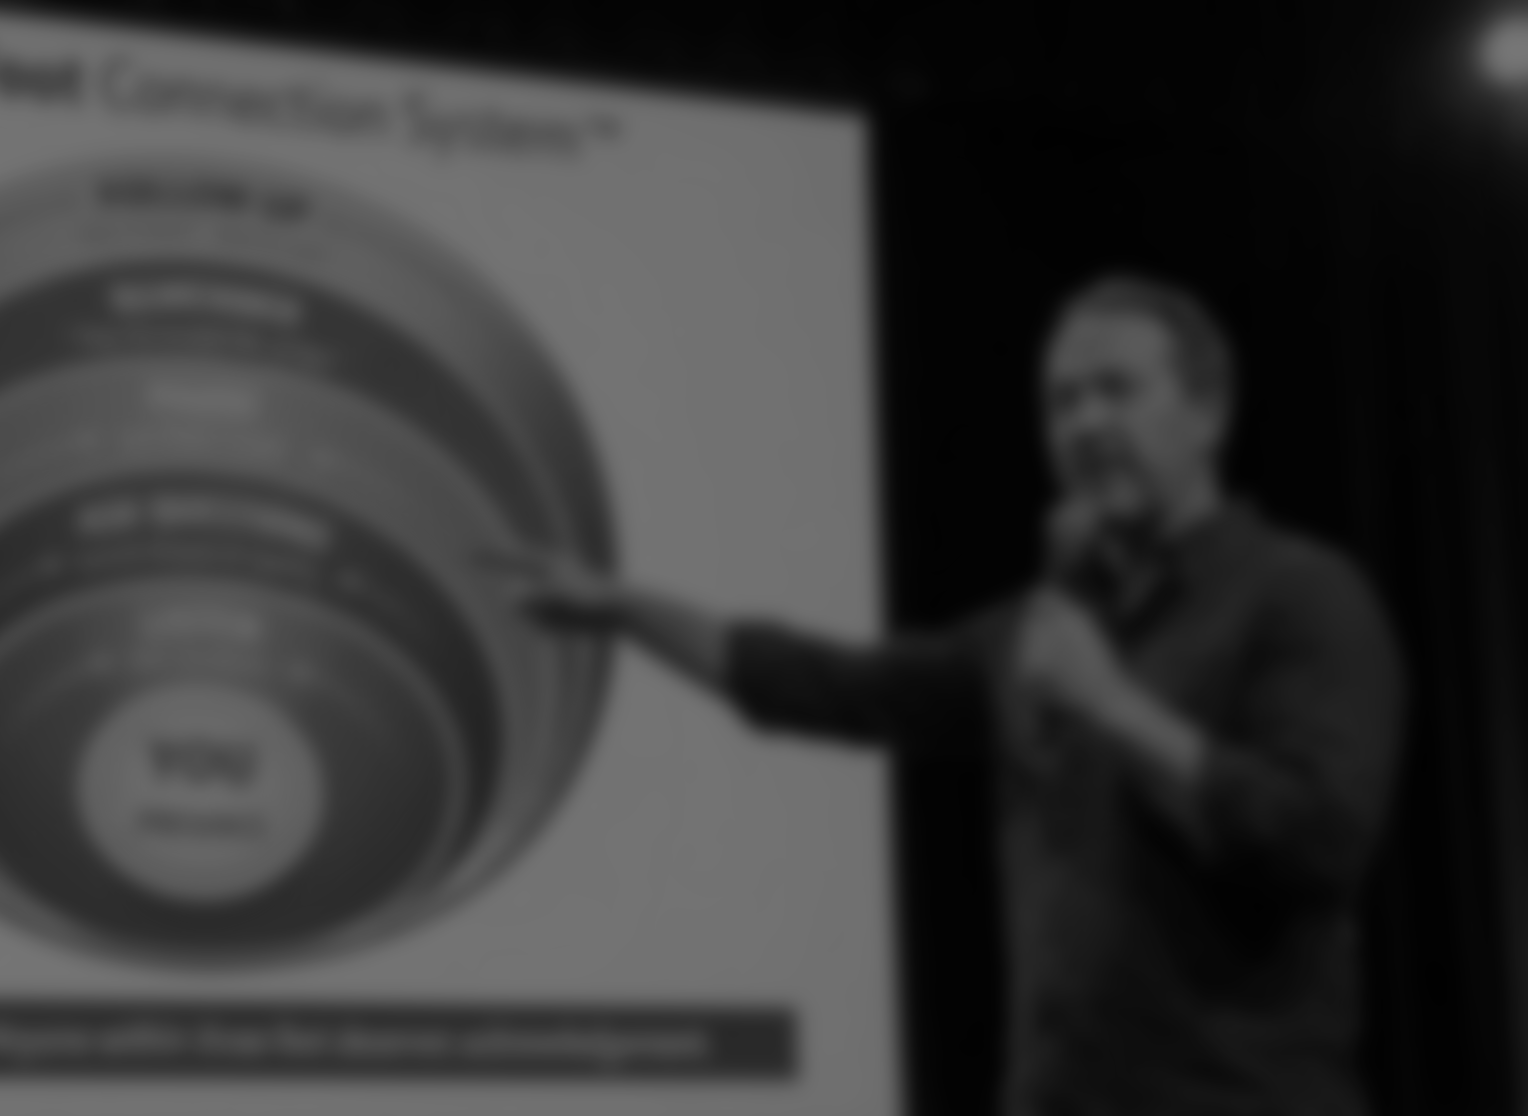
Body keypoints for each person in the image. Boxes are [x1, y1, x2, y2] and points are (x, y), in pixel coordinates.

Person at [481, 274, 1406, 1116]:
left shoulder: (1302, 594)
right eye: (1061, 402)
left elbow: (1318, 837)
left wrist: (1111, 705)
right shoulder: (1034, 635)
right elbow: (828, 684)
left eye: (1117, 389)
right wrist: (625, 610)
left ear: (1208, 411)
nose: (1084, 423)